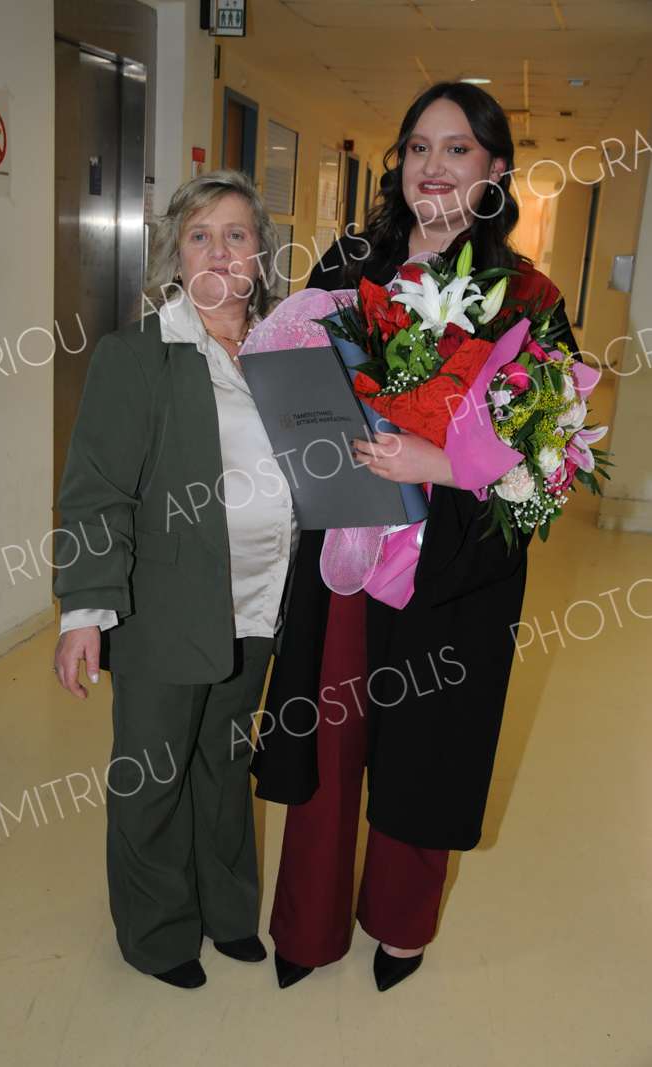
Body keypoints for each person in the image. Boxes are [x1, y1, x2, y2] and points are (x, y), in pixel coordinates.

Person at [251, 82, 579, 992]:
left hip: (455, 564)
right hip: (346, 548)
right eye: (418, 147)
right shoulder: (352, 262)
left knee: (426, 743)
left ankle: (400, 924)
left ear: (495, 170)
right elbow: (293, 379)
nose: (433, 166)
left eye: (457, 149)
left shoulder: (526, 296)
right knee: (329, 737)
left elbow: (549, 455)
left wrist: (440, 463)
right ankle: (307, 924)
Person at [52, 169, 299, 990]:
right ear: (174, 256)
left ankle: (226, 912)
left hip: (259, 603)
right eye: (200, 236)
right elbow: (97, 489)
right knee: (154, 773)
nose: (219, 251)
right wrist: (84, 611)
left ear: (260, 252)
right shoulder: (138, 355)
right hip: (163, 609)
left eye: (236, 235)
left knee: (223, 765)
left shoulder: (287, 353)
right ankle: (157, 934)